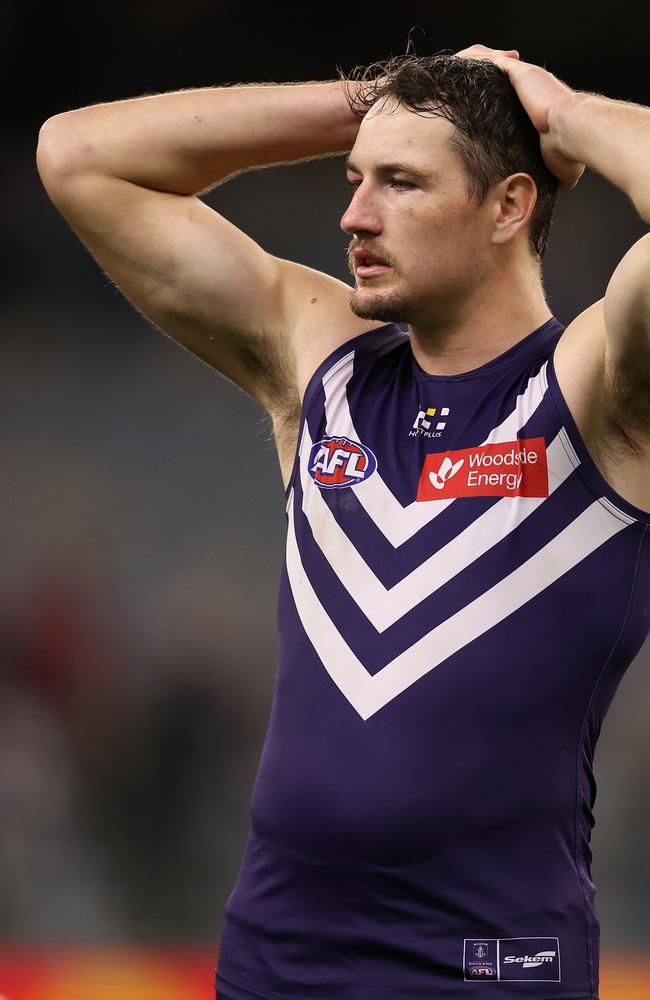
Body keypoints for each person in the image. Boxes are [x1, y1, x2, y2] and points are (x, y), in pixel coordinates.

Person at [36, 40, 650, 1000]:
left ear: (509, 205)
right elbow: (76, 157)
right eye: (355, 178)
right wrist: (369, 104)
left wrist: (558, 112)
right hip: (279, 955)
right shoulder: (323, 358)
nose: (354, 216)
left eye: (401, 183)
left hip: (489, 969)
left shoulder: (593, 388)